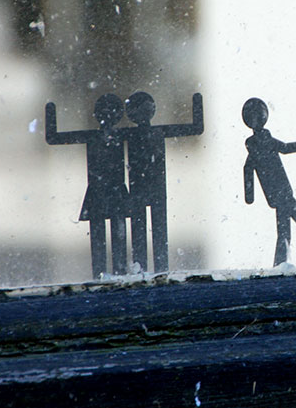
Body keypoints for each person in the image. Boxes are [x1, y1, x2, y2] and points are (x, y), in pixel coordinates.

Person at [45, 94, 129, 278]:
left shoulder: (114, 135)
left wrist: (50, 112)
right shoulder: (110, 135)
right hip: (101, 192)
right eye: (104, 111)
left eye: (111, 111)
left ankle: (114, 273)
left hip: (110, 192)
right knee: (106, 234)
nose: (107, 116)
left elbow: (53, 138)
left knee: (116, 234)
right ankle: (104, 274)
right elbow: (53, 138)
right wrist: (50, 113)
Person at [121, 91, 203, 274]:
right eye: (140, 109)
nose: (143, 114)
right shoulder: (144, 133)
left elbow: (196, 128)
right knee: (145, 231)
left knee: (151, 230)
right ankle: (148, 271)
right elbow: (196, 128)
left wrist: (197, 104)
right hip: (144, 189)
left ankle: (155, 271)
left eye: (146, 109)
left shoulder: (142, 133)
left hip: (149, 188)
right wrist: (197, 104)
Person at [242, 97, 296, 266]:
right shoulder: (264, 143)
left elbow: (248, 170)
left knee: (287, 231)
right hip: (282, 194)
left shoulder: (257, 146)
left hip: (278, 194)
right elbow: (285, 148)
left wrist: (250, 195)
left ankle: (284, 264)